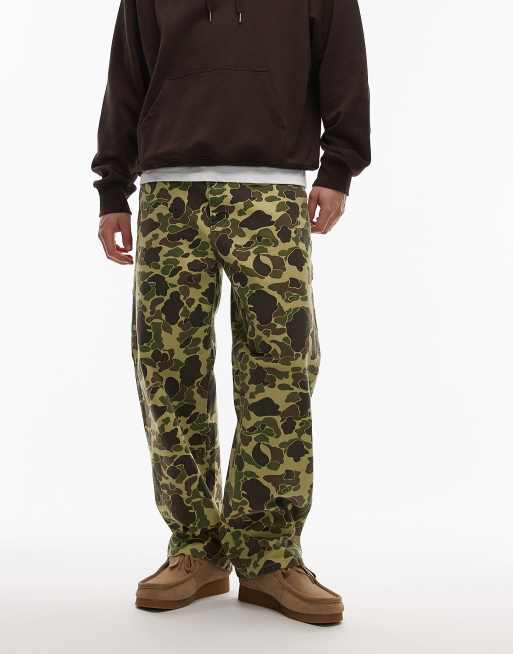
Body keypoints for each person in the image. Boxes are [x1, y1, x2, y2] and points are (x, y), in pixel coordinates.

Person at [92, 0, 370, 626]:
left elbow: (344, 64)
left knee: (281, 370)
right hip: (169, 194)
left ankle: (270, 556)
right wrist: (112, 189)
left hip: (271, 192)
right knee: (168, 370)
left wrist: (339, 168)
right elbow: (126, 75)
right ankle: (195, 548)